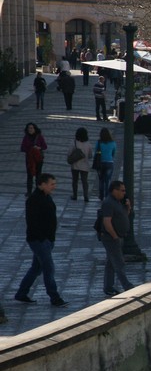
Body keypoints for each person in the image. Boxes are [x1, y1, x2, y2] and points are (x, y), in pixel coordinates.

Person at [14, 173, 67, 307]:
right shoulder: (34, 200)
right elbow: (33, 222)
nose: (54, 187)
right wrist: (43, 238)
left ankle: (21, 293)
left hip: (47, 239)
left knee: (36, 268)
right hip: (39, 240)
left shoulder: (46, 197)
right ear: (42, 184)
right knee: (48, 268)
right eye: (51, 184)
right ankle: (55, 297)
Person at [98, 180, 135, 296]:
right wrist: (115, 236)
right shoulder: (108, 203)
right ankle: (126, 285)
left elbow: (123, 216)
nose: (124, 193)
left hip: (118, 236)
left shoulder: (118, 202)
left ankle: (108, 286)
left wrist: (128, 207)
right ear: (115, 190)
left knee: (111, 262)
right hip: (111, 237)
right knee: (119, 262)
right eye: (122, 190)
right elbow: (106, 222)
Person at [21, 122, 47, 197]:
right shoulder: (26, 137)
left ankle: (38, 191)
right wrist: (30, 149)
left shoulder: (39, 137)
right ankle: (29, 191)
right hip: (29, 159)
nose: (30, 129)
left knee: (38, 175)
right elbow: (22, 148)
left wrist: (39, 148)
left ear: (35, 129)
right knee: (29, 175)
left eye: (32, 128)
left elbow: (45, 146)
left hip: (38, 159)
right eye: (29, 128)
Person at [69, 127, 93, 202]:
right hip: (85, 165)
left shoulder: (74, 142)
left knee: (75, 181)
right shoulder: (88, 144)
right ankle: (86, 196)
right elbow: (90, 155)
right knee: (84, 181)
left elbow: (69, 153)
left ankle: (75, 195)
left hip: (75, 165)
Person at [94, 127, 117, 200]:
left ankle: (101, 196)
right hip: (109, 163)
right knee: (108, 180)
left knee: (101, 180)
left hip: (100, 163)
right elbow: (113, 153)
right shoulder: (113, 143)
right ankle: (107, 196)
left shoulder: (99, 142)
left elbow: (96, 153)